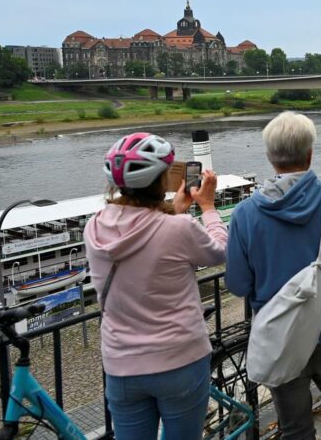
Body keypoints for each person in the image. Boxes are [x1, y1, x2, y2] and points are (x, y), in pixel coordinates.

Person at [225, 112, 321, 439]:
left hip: (280, 338)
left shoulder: (245, 214)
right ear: (310, 154)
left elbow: (238, 284)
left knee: (295, 428)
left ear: (270, 158)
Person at [84, 132, 227, 439]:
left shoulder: (93, 227)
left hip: (122, 364)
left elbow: (140, 232)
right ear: (162, 179)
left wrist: (177, 208)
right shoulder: (178, 228)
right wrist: (209, 207)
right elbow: (219, 251)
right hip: (180, 359)